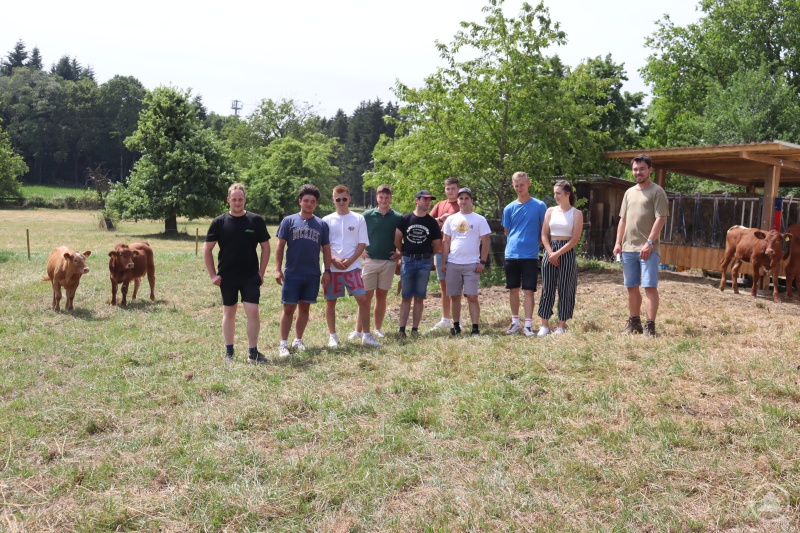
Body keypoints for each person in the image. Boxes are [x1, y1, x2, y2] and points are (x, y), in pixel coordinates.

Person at [203, 183, 271, 364]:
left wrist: (261, 273)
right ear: (228, 200)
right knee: (229, 312)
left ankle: (253, 352)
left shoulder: (255, 221)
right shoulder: (219, 222)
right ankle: (229, 352)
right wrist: (213, 275)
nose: (237, 202)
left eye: (240, 199)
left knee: (253, 311)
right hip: (227, 276)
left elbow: (266, 247)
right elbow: (207, 249)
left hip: (250, 276)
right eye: (234, 199)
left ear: (245, 199)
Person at [612, 154, 669, 337]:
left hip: (648, 249)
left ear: (650, 170)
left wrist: (649, 243)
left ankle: (650, 326)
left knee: (649, 286)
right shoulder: (629, 193)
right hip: (628, 248)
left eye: (642, 169)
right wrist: (618, 242)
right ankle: (634, 322)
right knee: (631, 287)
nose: (638, 172)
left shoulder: (657, 191)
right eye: (635, 169)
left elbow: (661, 218)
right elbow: (623, 220)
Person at [274, 184, 332, 357]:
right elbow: (279, 247)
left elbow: (327, 249)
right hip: (292, 272)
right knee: (288, 308)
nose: (309, 203)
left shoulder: (321, 224)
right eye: (306, 200)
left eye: (312, 201)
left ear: (316, 204)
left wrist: (327, 270)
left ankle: (298, 339)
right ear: (300, 201)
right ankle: (283, 344)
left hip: (312, 273)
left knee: (305, 307)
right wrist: (277, 269)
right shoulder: (289, 221)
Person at [322, 185, 379, 347]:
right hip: (332, 268)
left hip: (353, 267)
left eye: (344, 199)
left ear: (349, 199)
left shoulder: (358, 218)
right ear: (333, 200)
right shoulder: (326, 220)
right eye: (338, 199)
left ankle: (366, 335)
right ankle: (333, 336)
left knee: (363, 299)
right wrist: (333, 259)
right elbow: (323, 244)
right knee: (331, 301)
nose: (341, 202)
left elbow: (362, 243)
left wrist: (350, 259)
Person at [352, 184, 402, 341]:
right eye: (381, 197)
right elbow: (356, 234)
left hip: (388, 262)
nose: (384, 200)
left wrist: (400, 253)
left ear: (390, 198)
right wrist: (360, 250)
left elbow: (404, 238)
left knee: (382, 296)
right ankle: (358, 330)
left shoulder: (398, 217)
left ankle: (377, 328)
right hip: (370, 260)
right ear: (377, 198)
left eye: (387, 197)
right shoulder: (367, 215)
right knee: (365, 297)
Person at [502, 171, 547, 337]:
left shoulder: (539, 205)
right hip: (511, 254)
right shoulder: (508, 208)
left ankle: (528, 324)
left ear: (528, 184)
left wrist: (535, 243)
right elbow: (507, 231)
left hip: (530, 255)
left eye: (522, 184)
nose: (519, 188)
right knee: (512, 289)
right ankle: (515, 322)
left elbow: (544, 230)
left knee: (529, 290)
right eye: (516, 186)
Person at [441, 187, 490, 336]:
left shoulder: (479, 219)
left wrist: (482, 262)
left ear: (471, 201)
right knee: (454, 296)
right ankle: (456, 325)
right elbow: (446, 242)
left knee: (472, 296)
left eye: (466, 198)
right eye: (461, 198)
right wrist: (444, 262)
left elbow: (486, 241)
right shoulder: (451, 219)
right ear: (458, 200)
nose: (463, 201)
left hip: (472, 264)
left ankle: (475, 327)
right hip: (453, 263)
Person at [537, 180, 583, 336]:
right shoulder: (550, 211)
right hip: (550, 251)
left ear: (567, 194)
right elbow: (544, 234)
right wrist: (550, 252)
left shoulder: (576, 213)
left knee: (565, 288)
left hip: (567, 252)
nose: (555, 196)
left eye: (558, 193)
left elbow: (575, 239)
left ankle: (561, 325)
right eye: (554, 193)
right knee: (547, 288)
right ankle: (544, 324)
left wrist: (558, 253)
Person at [395, 190, 442, 339]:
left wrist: (429, 256)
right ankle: (402, 330)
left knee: (420, 297)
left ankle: (415, 329)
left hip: (424, 262)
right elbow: (397, 239)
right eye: (425, 200)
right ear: (417, 200)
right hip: (408, 260)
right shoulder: (405, 219)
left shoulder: (431, 222)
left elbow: (437, 245)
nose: (428, 203)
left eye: (430, 200)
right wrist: (404, 252)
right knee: (406, 296)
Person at [429, 177, 460, 331]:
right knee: (444, 285)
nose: (450, 191)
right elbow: (427, 220)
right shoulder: (440, 205)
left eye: (453, 188)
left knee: (456, 286)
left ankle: (457, 318)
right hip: (440, 250)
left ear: (458, 189)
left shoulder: (462, 204)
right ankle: (445, 318)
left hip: (457, 252)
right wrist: (439, 219)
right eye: (448, 189)